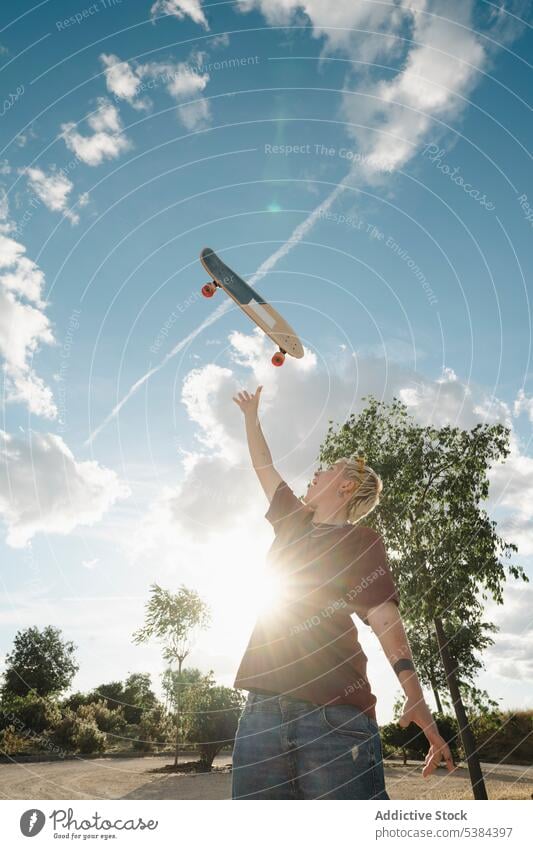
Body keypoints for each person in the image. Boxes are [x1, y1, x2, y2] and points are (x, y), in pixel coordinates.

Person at [230, 385, 455, 800]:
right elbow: (264, 465)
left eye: (328, 467)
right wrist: (250, 416)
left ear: (348, 486)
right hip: (262, 712)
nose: (316, 472)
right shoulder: (292, 521)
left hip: (335, 716)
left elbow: (384, 617)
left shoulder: (362, 542)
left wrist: (415, 696)